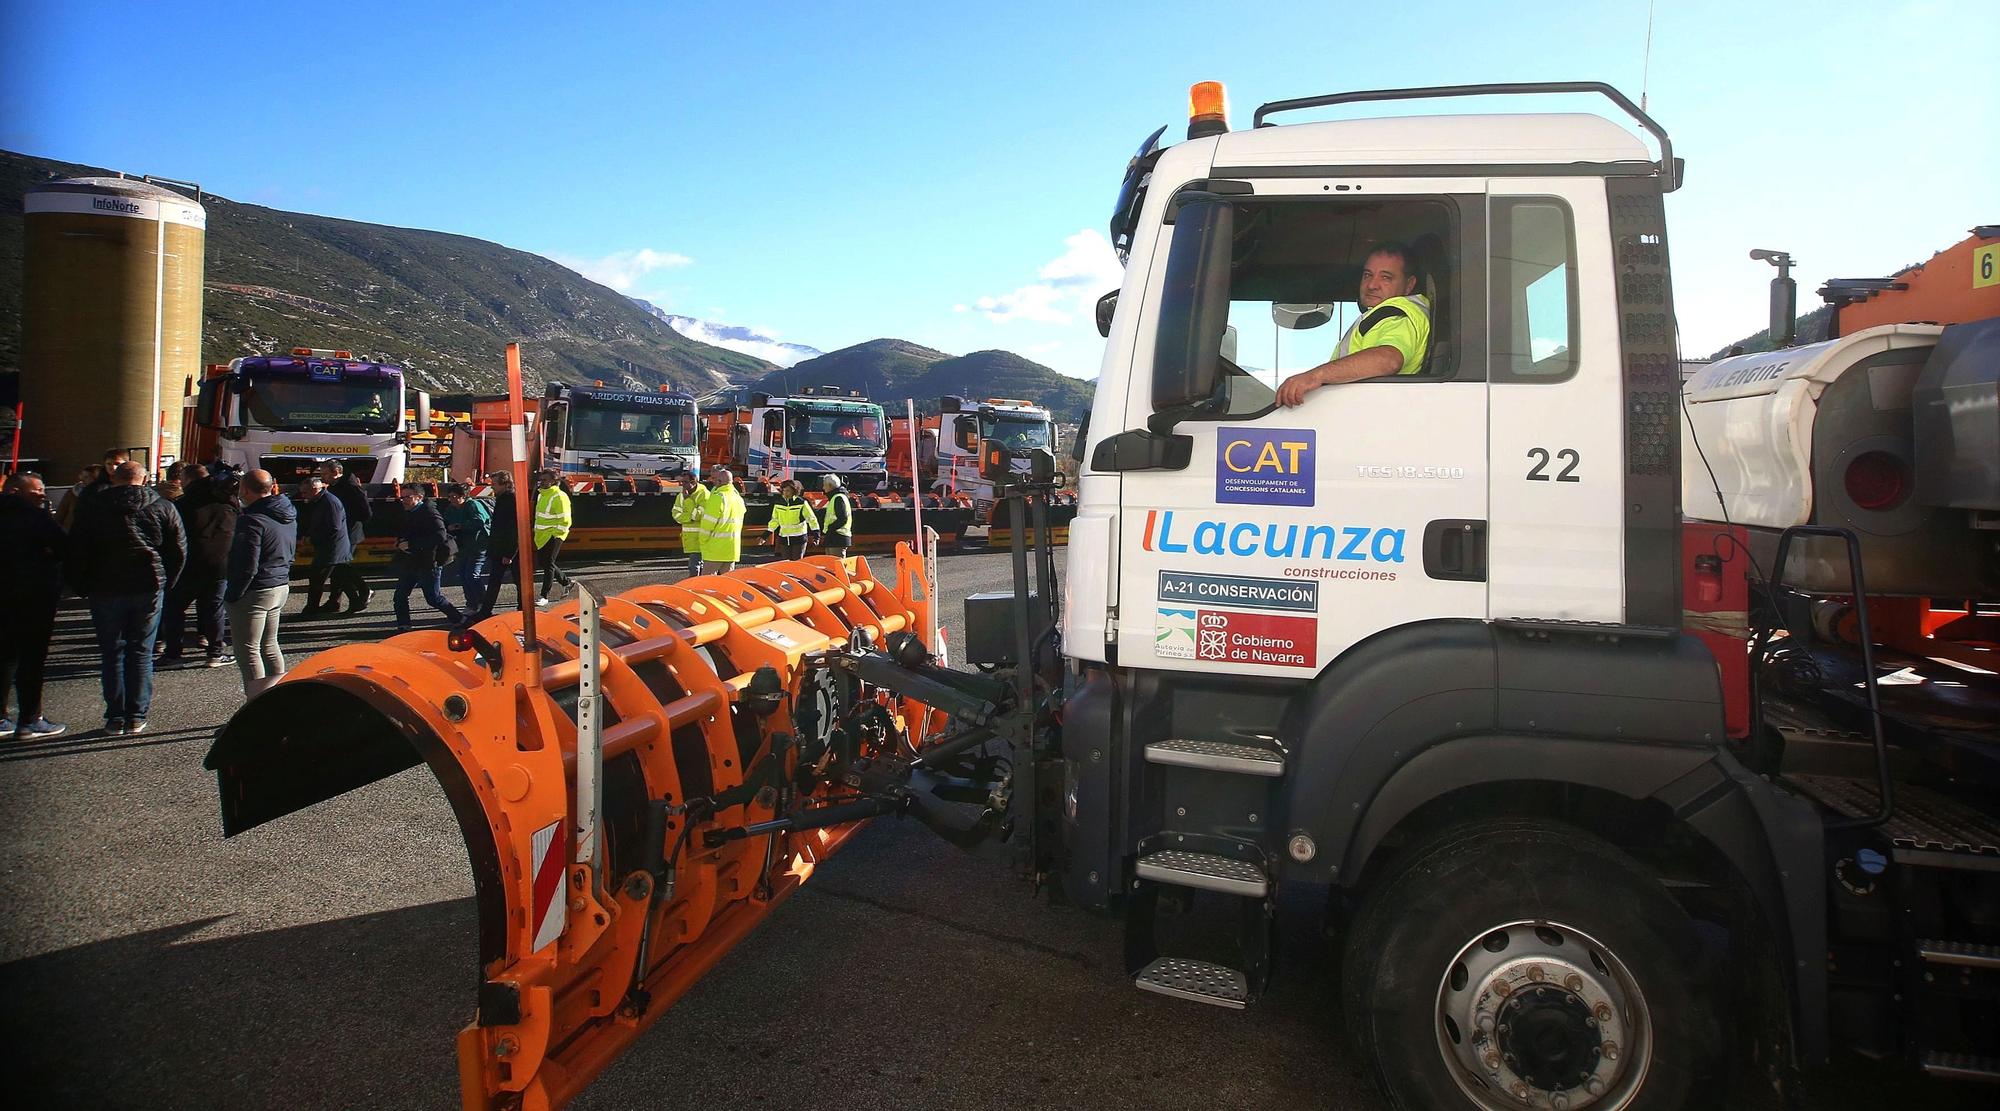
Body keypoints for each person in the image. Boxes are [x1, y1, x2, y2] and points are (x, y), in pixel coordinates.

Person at [67, 460, 186, 735]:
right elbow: (178, 548)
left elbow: (77, 548)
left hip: (105, 585)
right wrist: (168, 581)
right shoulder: (162, 506)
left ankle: (116, 716)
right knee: (141, 651)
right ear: (144, 480)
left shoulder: (93, 506)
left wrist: (80, 584)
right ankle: (136, 714)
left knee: (112, 652)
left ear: (114, 479)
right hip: (148, 583)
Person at [1276, 242, 1433, 407]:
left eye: (1386, 277)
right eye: (1368, 275)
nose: (1372, 285)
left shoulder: (1397, 314)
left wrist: (1315, 376)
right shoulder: (1380, 316)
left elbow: (1388, 359)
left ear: (1409, 285)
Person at [0, 472, 69, 739]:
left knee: (5, 657)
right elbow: (64, 547)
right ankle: (30, 719)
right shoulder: (36, 517)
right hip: (34, 596)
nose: (42, 494)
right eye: (36, 490)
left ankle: (2, 717)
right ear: (15, 490)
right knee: (32, 659)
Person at [224, 469, 296, 699]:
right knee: (270, 645)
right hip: (279, 583)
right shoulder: (286, 514)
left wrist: (233, 594)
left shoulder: (251, 520)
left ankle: (257, 702)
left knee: (248, 650)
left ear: (245, 489)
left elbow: (247, 564)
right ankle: (279, 696)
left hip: (255, 589)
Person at [159, 470, 237, 668]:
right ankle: (215, 652)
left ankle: (173, 654)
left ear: (188, 480)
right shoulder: (228, 503)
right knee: (214, 609)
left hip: (187, 564)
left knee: (175, 609)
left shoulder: (183, 504)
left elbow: (172, 536)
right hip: (219, 564)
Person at [392, 486, 465, 631]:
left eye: (407, 497)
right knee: (400, 595)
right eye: (402, 497)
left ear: (419, 497)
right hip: (411, 560)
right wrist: (400, 541)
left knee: (433, 598)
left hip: (428, 561)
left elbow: (440, 536)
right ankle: (404, 626)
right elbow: (408, 532)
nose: (403, 500)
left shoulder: (429, 512)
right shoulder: (409, 512)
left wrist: (412, 544)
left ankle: (460, 620)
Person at [319, 460, 373, 612]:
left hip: (349, 532)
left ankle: (364, 589)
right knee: (338, 568)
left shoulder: (350, 488)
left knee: (340, 566)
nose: (322, 477)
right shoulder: (337, 486)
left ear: (336, 472)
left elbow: (366, 512)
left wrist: (348, 521)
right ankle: (335, 601)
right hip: (343, 532)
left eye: (325, 474)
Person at [297, 475, 354, 618]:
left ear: (314, 489)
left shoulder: (329, 502)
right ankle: (344, 602)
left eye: (305, 492)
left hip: (332, 548)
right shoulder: (321, 501)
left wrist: (312, 538)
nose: (303, 496)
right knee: (339, 578)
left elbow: (333, 527)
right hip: (331, 547)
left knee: (317, 578)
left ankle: (311, 610)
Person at [471, 471, 520, 621]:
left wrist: (510, 553)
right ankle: (487, 610)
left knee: (514, 581)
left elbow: (514, 528)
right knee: (497, 581)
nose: (492, 487)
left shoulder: (510, 500)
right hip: (501, 548)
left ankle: (522, 609)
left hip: (507, 549)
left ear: (505, 484)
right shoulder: (503, 498)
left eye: (494, 484)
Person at [441, 482, 492, 610]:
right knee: (463, 576)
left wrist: (460, 526)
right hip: (462, 546)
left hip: (478, 545)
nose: (451, 499)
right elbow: (444, 522)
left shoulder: (473, 505)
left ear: (463, 496)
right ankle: (471, 604)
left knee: (472, 575)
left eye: (454, 496)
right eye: (449, 496)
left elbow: (479, 522)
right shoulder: (451, 509)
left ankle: (482, 603)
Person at [531, 469, 573, 606]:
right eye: (541, 480)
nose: (541, 482)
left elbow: (565, 519)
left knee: (548, 563)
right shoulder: (541, 495)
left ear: (554, 481)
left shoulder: (559, 496)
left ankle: (544, 596)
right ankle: (566, 582)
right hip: (542, 535)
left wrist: (557, 535)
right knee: (545, 563)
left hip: (554, 535)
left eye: (545, 480)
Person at [697, 465, 746, 575]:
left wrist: (702, 540)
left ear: (719, 481)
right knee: (727, 581)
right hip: (732, 549)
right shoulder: (738, 498)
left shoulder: (718, 497)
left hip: (715, 549)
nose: (713, 481)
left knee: (707, 581)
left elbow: (708, 523)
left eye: (715, 479)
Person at [767, 479, 819, 561]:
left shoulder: (801, 503)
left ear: (794, 491)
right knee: (786, 563)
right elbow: (775, 520)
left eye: (788, 491)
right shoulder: (778, 503)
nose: (785, 493)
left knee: (797, 563)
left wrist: (816, 535)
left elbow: (811, 519)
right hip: (784, 538)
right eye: (784, 490)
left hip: (799, 538)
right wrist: (765, 535)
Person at [673, 470, 709, 578]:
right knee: (696, 567)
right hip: (689, 539)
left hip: (701, 538)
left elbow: (698, 516)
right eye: (681, 482)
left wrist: (688, 500)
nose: (682, 484)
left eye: (685, 482)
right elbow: (676, 515)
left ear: (693, 482)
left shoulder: (704, 494)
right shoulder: (681, 495)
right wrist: (690, 518)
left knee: (695, 567)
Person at [54, 464, 101, 531]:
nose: (82, 479)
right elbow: (59, 515)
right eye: (82, 476)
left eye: (86, 477)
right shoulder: (72, 494)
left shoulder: (104, 496)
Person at [819, 474, 854, 559]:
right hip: (835, 537)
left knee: (836, 564)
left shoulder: (838, 498)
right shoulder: (837, 497)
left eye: (824, 485)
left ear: (830, 486)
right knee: (832, 564)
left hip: (837, 537)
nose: (823, 488)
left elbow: (843, 518)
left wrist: (830, 528)